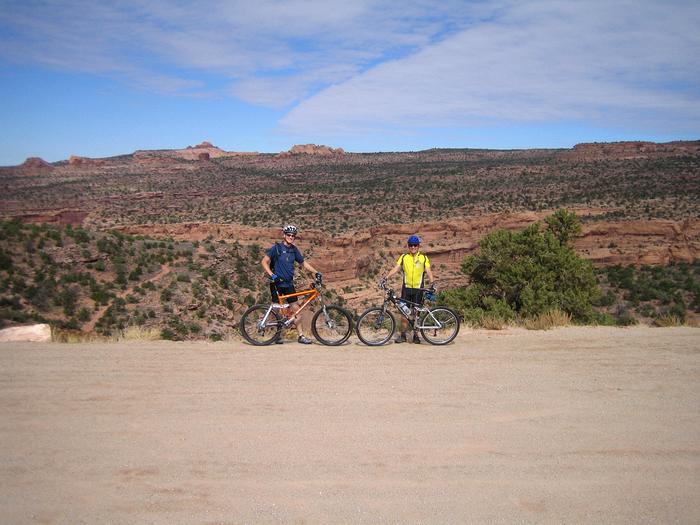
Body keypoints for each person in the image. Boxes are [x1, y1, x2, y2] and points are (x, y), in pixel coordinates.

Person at [261, 224, 322, 344]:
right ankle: (277, 336)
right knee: (277, 310)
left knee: (297, 310)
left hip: (289, 284)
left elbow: (303, 263)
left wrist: (316, 272)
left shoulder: (294, 250)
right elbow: (264, 262)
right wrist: (272, 275)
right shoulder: (277, 248)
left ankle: (301, 336)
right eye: (288, 235)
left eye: (293, 235)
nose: (291, 237)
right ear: (284, 235)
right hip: (276, 283)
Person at [382, 234, 434, 344]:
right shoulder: (404, 257)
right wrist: (386, 277)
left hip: (418, 289)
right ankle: (403, 335)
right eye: (411, 245)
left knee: (416, 314)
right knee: (403, 313)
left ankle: (416, 336)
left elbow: (428, 270)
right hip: (406, 288)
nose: (413, 247)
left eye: (415, 245)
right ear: (408, 246)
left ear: (418, 246)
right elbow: (396, 268)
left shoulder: (423, 258)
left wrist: (432, 282)